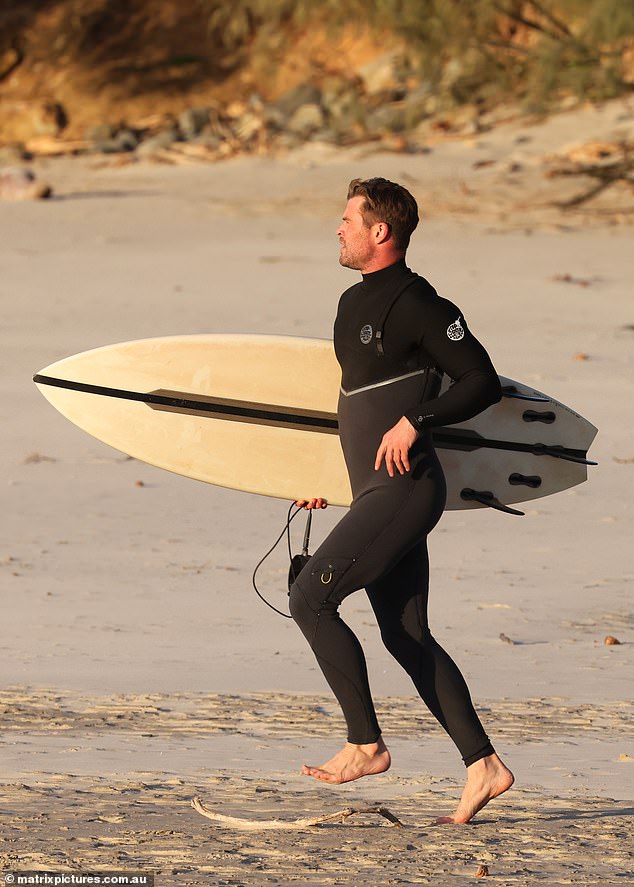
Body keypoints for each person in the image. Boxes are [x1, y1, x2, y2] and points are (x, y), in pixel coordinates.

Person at [288, 177, 514, 824]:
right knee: (407, 633)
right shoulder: (349, 304)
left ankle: (365, 741)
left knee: (311, 596)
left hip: (408, 488)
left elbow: (482, 380)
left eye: (348, 219)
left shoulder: (421, 304)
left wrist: (419, 418)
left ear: (379, 231)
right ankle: (484, 764)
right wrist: (332, 484)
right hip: (374, 492)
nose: (338, 228)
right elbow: (355, 410)